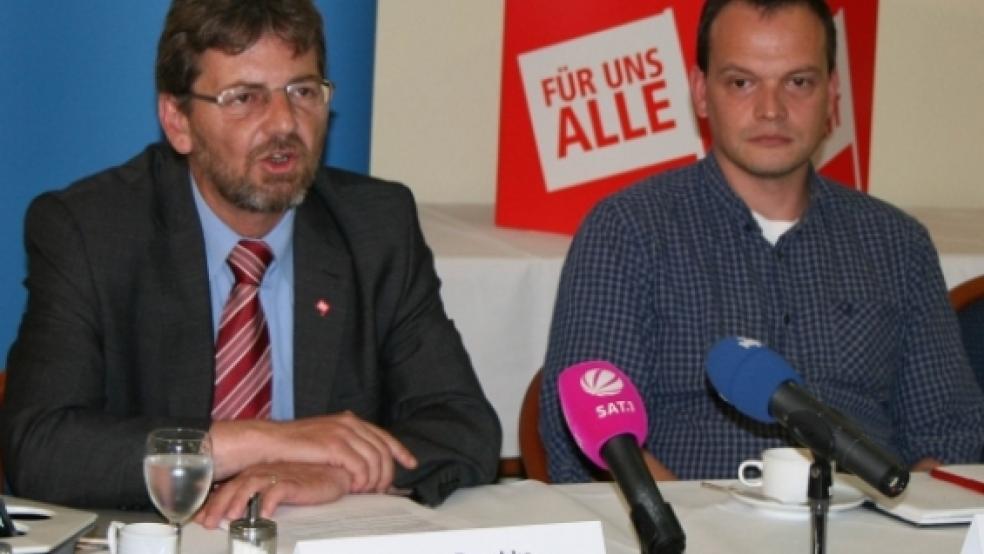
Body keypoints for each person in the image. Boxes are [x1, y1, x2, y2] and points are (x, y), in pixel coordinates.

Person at [0, 0, 500, 526]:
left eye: (303, 91)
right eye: (244, 98)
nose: (284, 122)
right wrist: (262, 442)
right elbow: (40, 447)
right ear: (178, 121)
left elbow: (463, 426)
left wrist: (337, 471)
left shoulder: (376, 228)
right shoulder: (90, 231)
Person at [540, 0, 984, 483]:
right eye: (741, 82)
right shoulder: (627, 231)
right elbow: (595, 445)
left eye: (798, 82)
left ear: (832, 93)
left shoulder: (898, 245)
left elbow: (949, 437)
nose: (771, 109)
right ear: (701, 93)